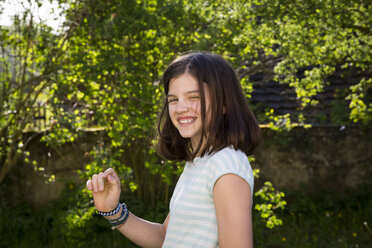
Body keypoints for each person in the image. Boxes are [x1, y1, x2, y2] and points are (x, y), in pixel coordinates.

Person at [86, 51, 261, 248]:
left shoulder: (226, 165)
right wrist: (113, 211)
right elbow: (166, 237)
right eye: (173, 100)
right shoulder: (201, 161)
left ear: (224, 104)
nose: (180, 108)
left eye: (193, 97)